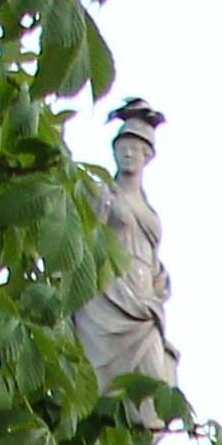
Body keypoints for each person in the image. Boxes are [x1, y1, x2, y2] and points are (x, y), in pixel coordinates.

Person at [82, 103, 177, 391]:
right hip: (109, 293)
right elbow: (87, 236)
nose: (128, 154)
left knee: (154, 379)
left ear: (147, 155)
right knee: (104, 383)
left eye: (136, 149)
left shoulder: (149, 211)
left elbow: (152, 256)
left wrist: (160, 278)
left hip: (144, 300)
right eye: (123, 147)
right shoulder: (103, 193)